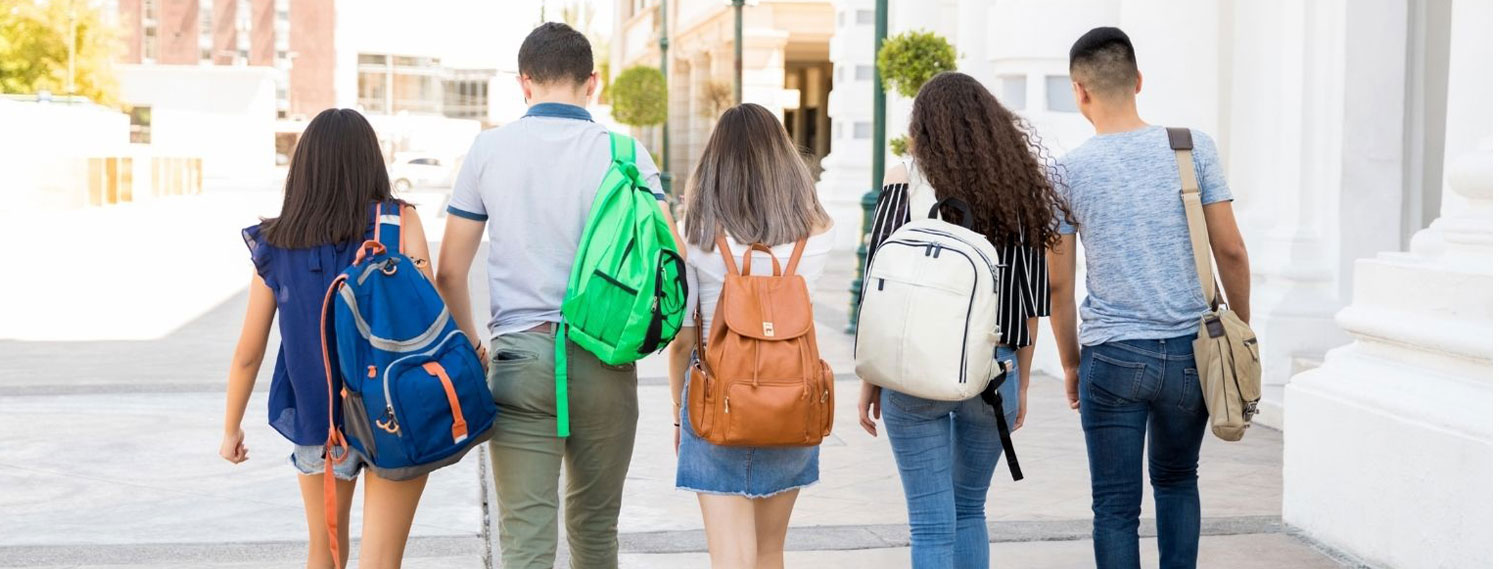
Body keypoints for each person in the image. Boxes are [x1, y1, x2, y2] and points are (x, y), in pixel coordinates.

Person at [433, 22, 672, 569]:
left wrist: (473, 344)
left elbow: (450, 272)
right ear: (593, 83)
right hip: (606, 358)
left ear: (525, 83)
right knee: (594, 530)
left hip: (519, 358)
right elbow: (668, 260)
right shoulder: (627, 152)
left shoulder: (488, 149)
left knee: (526, 542)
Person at [1048, 27, 1252, 569]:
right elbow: (1230, 250)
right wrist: (1242, 332)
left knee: (1114, 506)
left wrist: (1070, 360)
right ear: (1138, 81)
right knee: (1178, 480)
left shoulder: (1065, 173)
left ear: (1079, 91)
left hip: (1111, 355)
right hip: (1191, 353)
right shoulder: (1192, 147)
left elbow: (1059, 284)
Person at [854, 71, 1072, 569]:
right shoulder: (1018, 186)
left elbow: (879, 282)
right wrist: (1021, 378)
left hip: (914, 369)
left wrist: (870, 378)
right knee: (970, 509)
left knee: (930, 523)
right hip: (994, 372)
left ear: (923, 128)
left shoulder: (902, 179)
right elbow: (1029, 296)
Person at [219, 108, 435, 569]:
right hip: (394, 411)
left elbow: (248, 352)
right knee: (382, 561)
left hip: (320, 419)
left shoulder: (277, 242)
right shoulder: (399, 224)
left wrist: (231, 427)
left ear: (305, 168)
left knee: (325, 552)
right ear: (370, 161)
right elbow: (431, 318)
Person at [665, 103, 837, 569]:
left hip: (717, 400)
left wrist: (680, 416)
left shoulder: (699, 234)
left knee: (730, 558)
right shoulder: (818, 233)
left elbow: (682, 340)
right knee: (768, 552)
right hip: (792, 400)